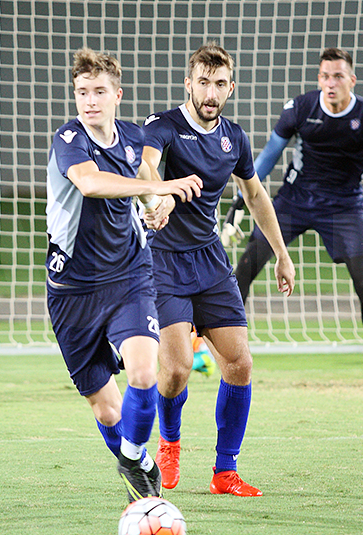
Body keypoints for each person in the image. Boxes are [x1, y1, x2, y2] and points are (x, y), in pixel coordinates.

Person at [45, 47, 202, 503]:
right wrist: (159, 187)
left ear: (117, 94)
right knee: (107, 408)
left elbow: (147, 180)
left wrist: (157, 208)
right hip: (71, 290)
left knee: (141, 374)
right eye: (81, 92)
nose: (89, 100)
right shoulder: (69, 139)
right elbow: (92, 183)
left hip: (129, 277)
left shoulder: (133, 138)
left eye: (98, 91)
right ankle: (136, 462)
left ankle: (134, 458)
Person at [141, 42, 296, 497]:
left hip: (210, 260)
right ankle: (169, 442)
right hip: (163, 260)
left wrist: (282, 255)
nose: (211, 92)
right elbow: (146, 166)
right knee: (177, 370)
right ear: (188, 84)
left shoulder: (235, 137)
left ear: (231, 86)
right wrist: (162, 195)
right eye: (203, 82)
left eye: (220, 84)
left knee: (240, 362)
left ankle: (224, 472)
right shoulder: (162, 126)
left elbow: (255, 196)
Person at [227, 48, 363, 387]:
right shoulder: (301, 107)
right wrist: (241, 198)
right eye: (324, 76)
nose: (330, 83)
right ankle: (214, 350)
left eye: (338, 76)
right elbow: (268, 154)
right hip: (294, 201)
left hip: (344, 206)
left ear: (352, 80)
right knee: (247, 265)